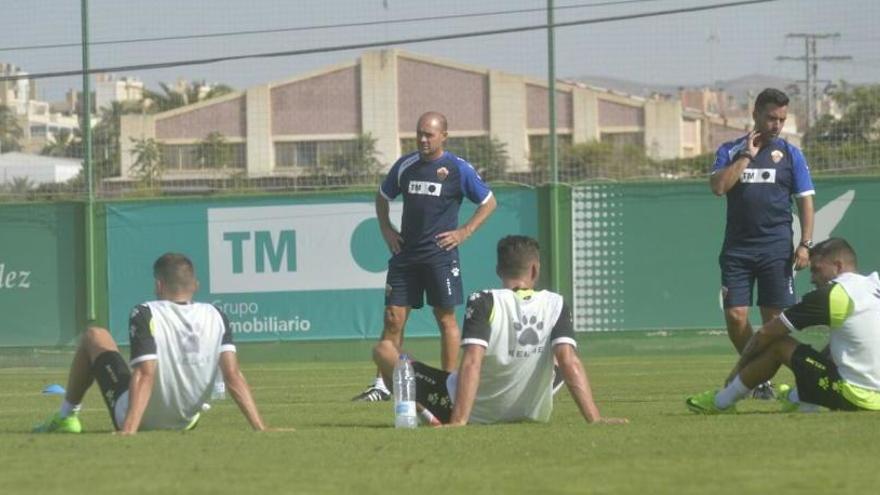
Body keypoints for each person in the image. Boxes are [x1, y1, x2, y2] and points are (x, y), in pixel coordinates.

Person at [373, 235, 627, 426]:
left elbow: (472, 362)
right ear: (535, 269)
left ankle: (420, 410)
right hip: (529, 411)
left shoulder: (484, 300)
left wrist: (459, 420)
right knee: (560, 355)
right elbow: (569, 361)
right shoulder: (556, 303)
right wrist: (595, 419)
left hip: (470, 409)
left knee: (384, 350)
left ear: (498, 271)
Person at [34, 253, 277, 434]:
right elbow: (233, 375)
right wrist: (260, 427)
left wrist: (128, 430)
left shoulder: (145, 312)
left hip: (141, 420)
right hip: (186, 420)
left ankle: (67, 416)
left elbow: (145, 373)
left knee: (95, 336)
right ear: (195, 286)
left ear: (158, 285)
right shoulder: (217, 314)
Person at [353, 111, 497, 401]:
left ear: (444, 136)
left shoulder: (458, 169)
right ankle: (383, 385)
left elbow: (489, 202)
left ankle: (449, 386)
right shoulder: (406, 165)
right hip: (405, 255)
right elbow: (382, 197)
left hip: (440, 256)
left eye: (429, 134)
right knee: (393, 318)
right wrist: (386, 229)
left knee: (445, 318)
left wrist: (463, 232)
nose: (422, 139)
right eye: (419, 133)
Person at [686, 238, 880, 414]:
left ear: (837, 266)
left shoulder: (833, 294)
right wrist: (810, 374)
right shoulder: (874, 285)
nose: (812, 278)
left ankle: (721, 402)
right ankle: (800, 397)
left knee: (778, 343)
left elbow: (765, 333)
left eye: (817, 269)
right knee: (832, 348)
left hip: (857, 397)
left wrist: (737, 370)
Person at [709, 88, 815, 399]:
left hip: (776, 251)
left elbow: (806, 201)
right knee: (736, 316)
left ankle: (800, 378)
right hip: (737, 251)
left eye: (781, 119)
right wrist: (746, 156)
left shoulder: (791, 155)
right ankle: (759, 378)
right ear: (755, 114)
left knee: (775, 324)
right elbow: (718, 187)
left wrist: (806, 243)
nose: (776, 125)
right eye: (771, 118)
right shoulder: (729, 150)